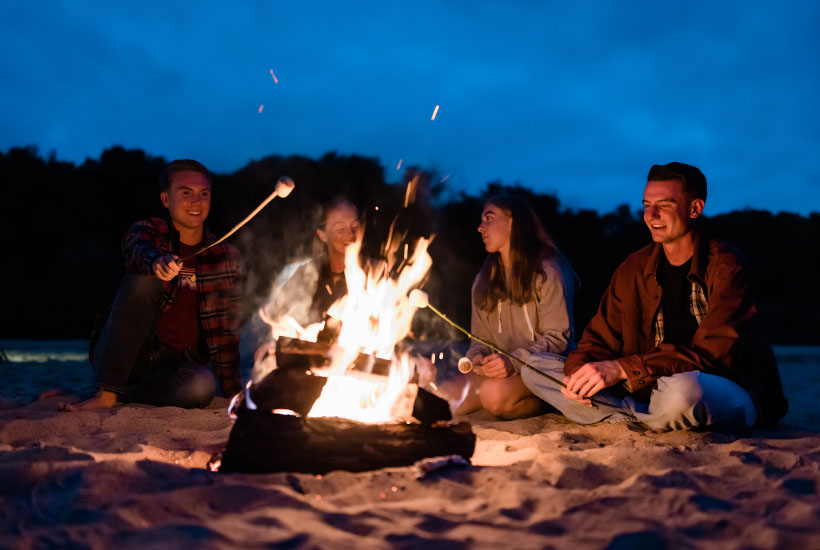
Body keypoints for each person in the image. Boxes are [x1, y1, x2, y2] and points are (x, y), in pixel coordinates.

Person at [521, 162, 788, 431]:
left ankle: (630, 415)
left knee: (683, 391)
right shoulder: (634, 267)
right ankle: (642, 417)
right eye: (647, 205)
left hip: (719, 385)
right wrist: (577, 375)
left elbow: (714, 355)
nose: (652, 215)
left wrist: (624, 369)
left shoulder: (726, 265)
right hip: (648, 387)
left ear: (695, 208)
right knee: (535, 367)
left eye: (664, 205)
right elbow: (598, 339)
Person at [49, 159, 243, 410]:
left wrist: (234, 393)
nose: (196, 201)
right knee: (145, 279)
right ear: (165, 199)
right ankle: (107, 391)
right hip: (125, 351)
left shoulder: (224, 255)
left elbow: (228, 329)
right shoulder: (148, 231)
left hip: (174, 365)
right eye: (186, 193)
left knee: (201, 386)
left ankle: (116, 394)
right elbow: (137, 247)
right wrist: (156, 262)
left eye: (203, 194)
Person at [442, 195, 577, 419]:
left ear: (513, 222)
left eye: (489, 218)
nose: (480, 227)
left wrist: (513, 362)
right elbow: (481, 340)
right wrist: (477, 357)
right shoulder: (484, 280)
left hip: (544, 371)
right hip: (502, 373)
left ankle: (550, 404)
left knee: (493, 396)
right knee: (443, 398)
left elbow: (558, 338)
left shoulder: (548, 271)